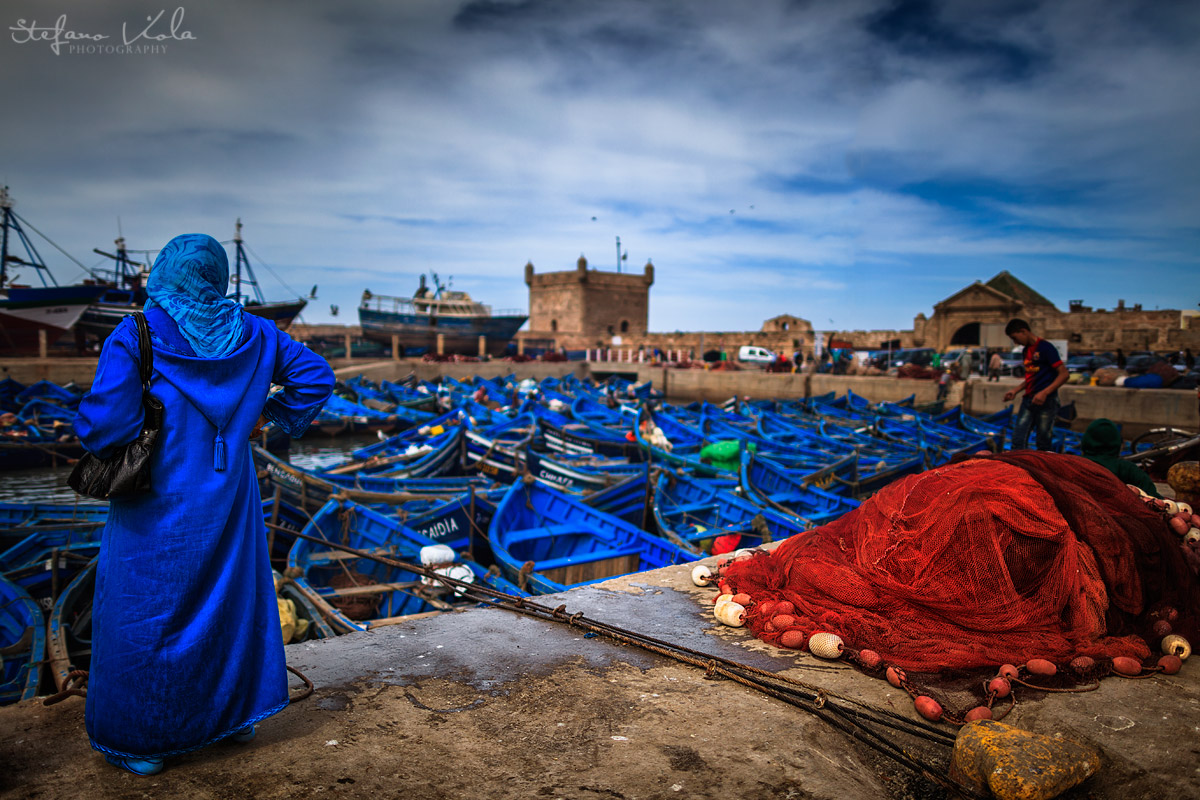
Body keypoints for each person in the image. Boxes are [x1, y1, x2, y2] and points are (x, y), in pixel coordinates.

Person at [75, 234, 334, 776]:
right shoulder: (258, 335)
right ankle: (235, 718)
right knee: (231, 603)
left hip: (153, 507)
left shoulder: (138, 332)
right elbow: (316, 379)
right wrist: (264, 419)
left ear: (167, 271)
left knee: (144, 615)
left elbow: (106, 426)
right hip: (230, 500)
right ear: (216, 276)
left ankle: (144, 742)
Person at [1002, 319, 1069, 450]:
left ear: (1023, 332)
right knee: (1018, 438)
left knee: (1043, 440)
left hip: (1046, 401)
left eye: (1015, 338)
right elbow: (1032, 377)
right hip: (1029, 400)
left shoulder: (1046, 348)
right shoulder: (1026, 351)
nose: (1016, 343)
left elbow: (1064, 374)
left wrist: (1045, 392)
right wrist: (1016, 390)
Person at [1080, 418, 1160, 498]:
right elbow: (1155, 499)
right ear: (1118, 443)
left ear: (1085, 441)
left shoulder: (1073, 464)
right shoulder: (1130, 470)